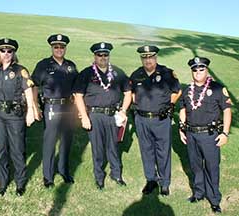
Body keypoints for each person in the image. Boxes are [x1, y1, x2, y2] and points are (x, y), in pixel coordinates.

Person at [74, 42, 132, 190]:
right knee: (98, 148)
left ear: (109, 56)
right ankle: (99, 177)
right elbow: (78, 96)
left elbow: (128, 93)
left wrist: (123, 110)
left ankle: (116, 174)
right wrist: (84, 117)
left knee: (113, 146)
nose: (103, 57)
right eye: (99, 55)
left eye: (105, 55)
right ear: (95, 56)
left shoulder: (118, 73)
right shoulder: (86, 73)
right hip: (94, 115)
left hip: (112, 115)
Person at [179, 57, 232, 213]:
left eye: (201, 69)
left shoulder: (217, 89)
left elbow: (227, 111)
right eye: (195, 70)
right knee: (195, 166)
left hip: (210, 136)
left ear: (206, 70)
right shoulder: (188, 89)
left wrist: (225, 133)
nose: (198, 73)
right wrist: (181, 128)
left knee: (211, 167)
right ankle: (198, 193)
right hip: (191, 134)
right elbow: (183, 108)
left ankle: (214, 199)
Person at [130, 45, 181, 196]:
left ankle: (165, 183)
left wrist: (168, 105)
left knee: (163, 150)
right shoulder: (136, 74)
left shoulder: (166, 73)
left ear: (155, 57)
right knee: (146, 150)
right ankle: (151, 179)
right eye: (144, 58)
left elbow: (177, 91)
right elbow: (131, 94)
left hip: (161, 119)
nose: (148, 61)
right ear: (141, 59)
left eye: (150, 57)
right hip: (142, 119)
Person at [0, 38, 35, 196]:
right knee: (0, 150)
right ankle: (3, 181)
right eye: (3, 50)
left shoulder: (21, 70)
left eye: (10, 51)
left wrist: (30, 111)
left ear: (14, 53)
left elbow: (28, 91)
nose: (6, 53)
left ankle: (20, 182)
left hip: (15, 116)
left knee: (17, 149)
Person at [31, 34, 78, 188]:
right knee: (50, 141)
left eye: (62, 47)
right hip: (51, 107)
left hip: (68, 107)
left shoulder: (71, 66)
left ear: (66, 48)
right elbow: (35, 85)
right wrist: (35, 106)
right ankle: (48, 176)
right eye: (56, 47)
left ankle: (64, 171)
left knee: (66, 140)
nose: (59, 49)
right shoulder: (43, 65)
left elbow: (77, 88)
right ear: (51, 48)